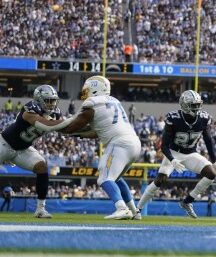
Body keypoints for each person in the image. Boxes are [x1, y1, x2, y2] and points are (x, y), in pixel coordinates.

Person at [36, 76, 142, 220]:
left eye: (87, 89)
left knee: (104, 178)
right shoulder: (114, 101)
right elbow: (98, 131)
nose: (85, 93)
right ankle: (135, 211)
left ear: (95, 88)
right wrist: (80, 135)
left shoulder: (92, 103)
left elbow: (73, 126)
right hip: (134, 142)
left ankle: (121, 208)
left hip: (119, 143)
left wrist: (54, 126)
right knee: (115, 178)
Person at [136, 90, 216, 218]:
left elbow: (208, 140)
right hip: (174, 152)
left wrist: (214, 161)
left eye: (198, 104)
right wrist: (172, 160)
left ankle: (187, 202)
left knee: (212, 173)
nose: (197, 108)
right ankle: (138, 209)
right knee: (160, 180)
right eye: (193, 105)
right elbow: (164, 145)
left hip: (191, 153)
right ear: (185, 105)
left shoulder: (203, 118)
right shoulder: (173, 118)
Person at [0, 85, 62, 218]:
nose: (52, 104)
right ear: (39, 99)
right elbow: (43, 123)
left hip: (22, 149)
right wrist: (67, 122)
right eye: (48, 100)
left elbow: (67, 130)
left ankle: (40, 209)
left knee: (42, 167)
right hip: (4, 144)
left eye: (53, 100)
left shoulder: (56, 113)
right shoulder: (31, 109)